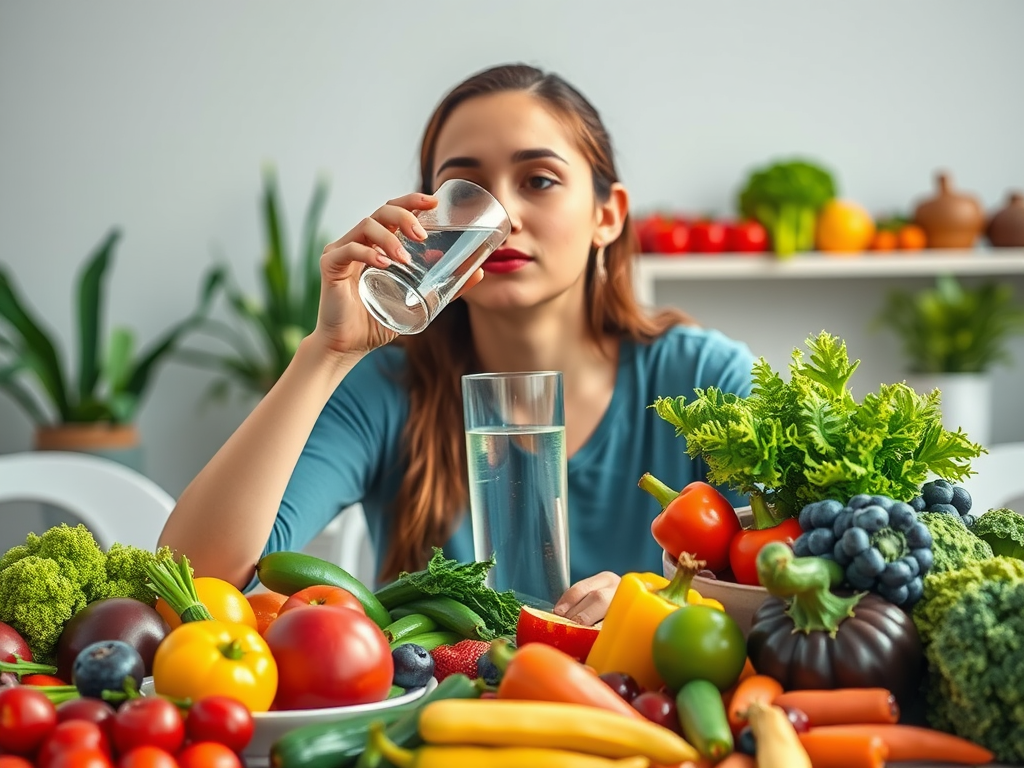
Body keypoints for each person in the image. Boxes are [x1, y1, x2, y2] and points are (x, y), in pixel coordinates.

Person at [159, 63, 756, 626]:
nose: (503, 220)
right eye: (466, 190)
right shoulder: (385, 390)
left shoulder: (705, 378)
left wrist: (649, 596)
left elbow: (784, 584)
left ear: (608, 213)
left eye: (539, 181)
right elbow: (192, 582)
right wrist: (329, 351)